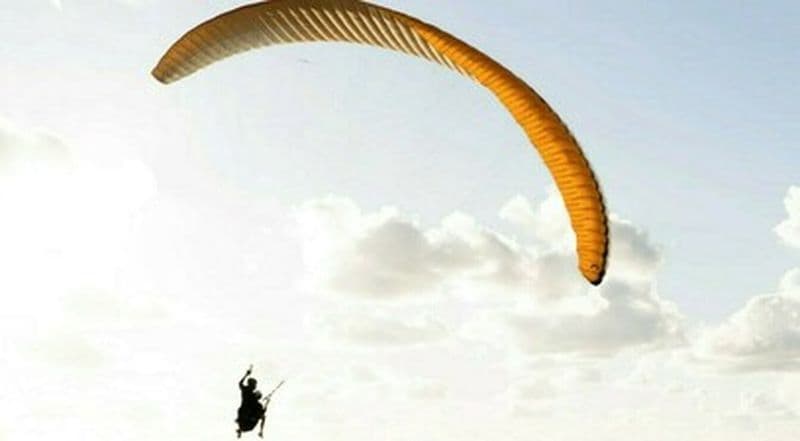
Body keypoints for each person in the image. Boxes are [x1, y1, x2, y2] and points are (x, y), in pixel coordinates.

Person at [236, 366, 265, 438]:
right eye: (255, 384)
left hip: (242, 419)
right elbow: (262, 411)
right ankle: (261, 432)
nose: (256, 386)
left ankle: (240, 429)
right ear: (252, 385)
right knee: (263, 416)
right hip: (249, 424)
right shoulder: (255, 401)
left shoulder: (245, 390)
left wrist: (246, 374)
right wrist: (267, 403)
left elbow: (240, 383)